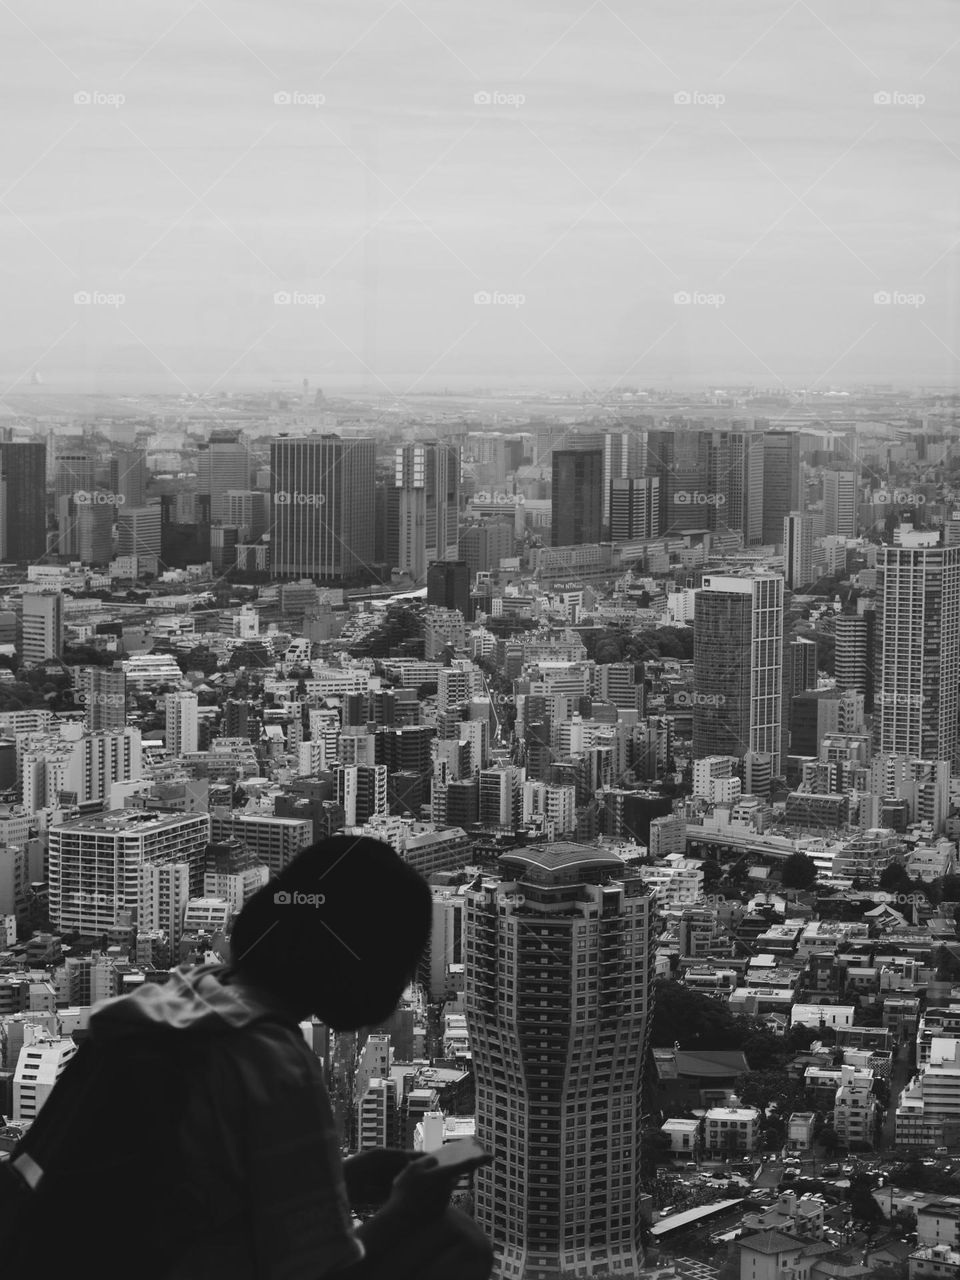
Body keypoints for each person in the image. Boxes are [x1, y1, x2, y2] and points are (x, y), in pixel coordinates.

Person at [85, 835, 494, 1279]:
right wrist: (410, 1208)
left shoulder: (179, 997)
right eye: (398, 962)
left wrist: (340, 1179)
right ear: (360, 967)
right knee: (456, 1242)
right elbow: (323, 1273)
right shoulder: (271, 1063)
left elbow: (195, 1191)